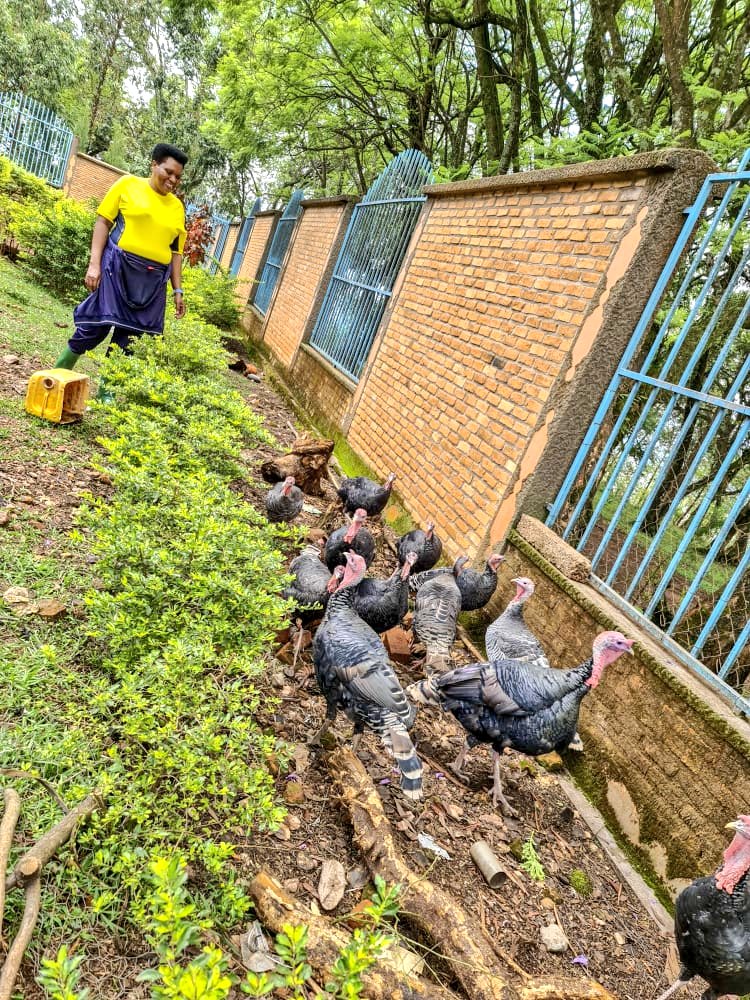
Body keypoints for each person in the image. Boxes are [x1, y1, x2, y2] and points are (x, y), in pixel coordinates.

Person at [53, 143, 189, 398]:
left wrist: (177, 289)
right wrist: (94, 264)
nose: (173, 180)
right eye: (168, 172)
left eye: (178, 177)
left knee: (130, 338)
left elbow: (176, 253)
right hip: (117, 269)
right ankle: (58, 373)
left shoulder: (177, 207)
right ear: (154, 164)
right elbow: (103, 222)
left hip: (152, 281)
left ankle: (107, 393)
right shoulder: (127, 185)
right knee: (95, 325)